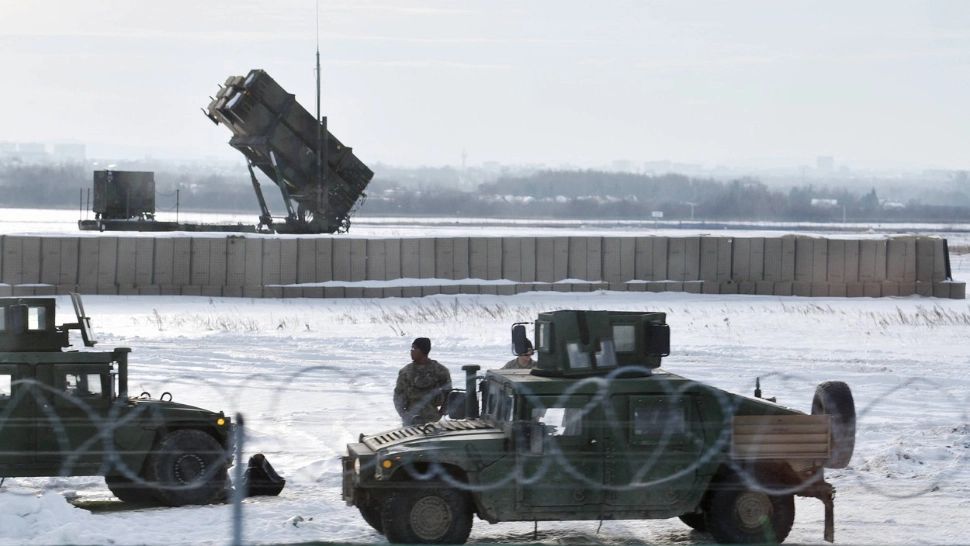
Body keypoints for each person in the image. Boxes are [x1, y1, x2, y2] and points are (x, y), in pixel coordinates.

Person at [393, 337, 452, 426]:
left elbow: (449, 394)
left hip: (433, 421)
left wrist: (441, 413)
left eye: (414, 348)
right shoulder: (406, 372)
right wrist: (404, 415)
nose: (411, 351)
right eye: (411, 348)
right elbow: (398, 395)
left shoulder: (440, 371)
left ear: (423, 350)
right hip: (411, 420)